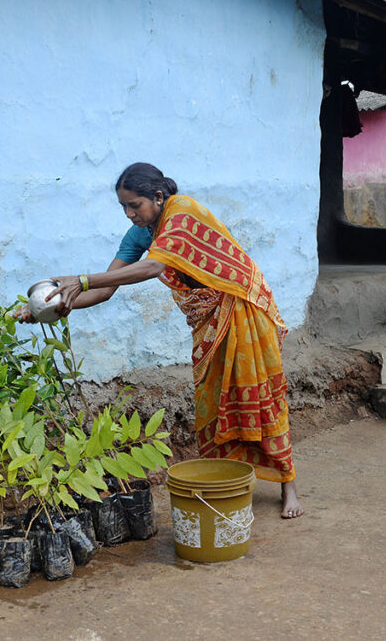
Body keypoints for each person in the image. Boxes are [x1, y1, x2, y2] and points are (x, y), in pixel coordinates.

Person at [21, 163, 303, 519]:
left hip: (241, 307)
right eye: (124, 207)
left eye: (134, 205)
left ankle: (288, 486)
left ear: (157, 197)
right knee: (215, 400)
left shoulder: (181, 213)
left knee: (262, 396)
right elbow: (108, 287)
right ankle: (228, 480)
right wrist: (53, 306)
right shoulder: (140, 233)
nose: (129, 214)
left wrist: (82, 280)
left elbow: (152, 268)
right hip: (208, 319)